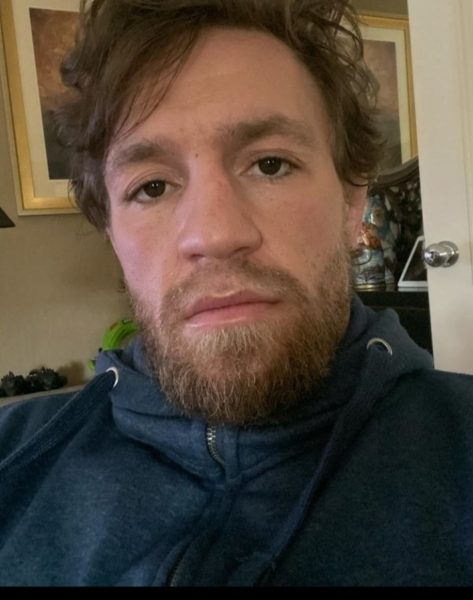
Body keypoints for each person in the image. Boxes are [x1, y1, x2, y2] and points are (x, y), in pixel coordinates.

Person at [1, 0, 473, 587]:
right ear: (112, 234)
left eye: (270, 164)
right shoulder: (14, 456)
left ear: (353, 201)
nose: (215, 235)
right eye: (152, 187)